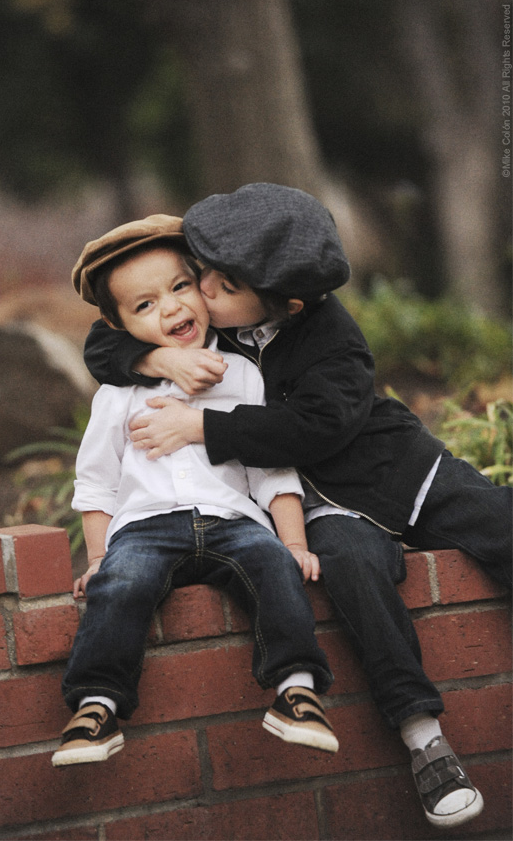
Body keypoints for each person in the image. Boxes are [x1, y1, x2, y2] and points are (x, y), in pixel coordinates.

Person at [83, 183, 510, 828]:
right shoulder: (200, 334)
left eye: (220, 286)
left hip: (400, 470)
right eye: (202, 275)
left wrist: (200, 428)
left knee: (501, 524)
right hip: (328, 507)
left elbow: (314, 428)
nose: (200, 294)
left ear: (287, 301)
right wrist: (159, 355)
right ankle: (424, 738)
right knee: (353, 576)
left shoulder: (331, 338)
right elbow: (102, 345)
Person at [53, 214, 339, 769]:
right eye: (144, 305)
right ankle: (97, 705)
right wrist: (96, 557)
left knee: (274, 567)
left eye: (181, 287)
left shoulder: (243, 375)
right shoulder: (116, 394)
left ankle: (296, 690)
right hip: (146, 527)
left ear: (203, 285)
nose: (171, 308)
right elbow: (96, 481)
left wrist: (295, 542)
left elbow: (271, 468)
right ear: (119, 326)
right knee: (123, 582)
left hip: (234, 522)